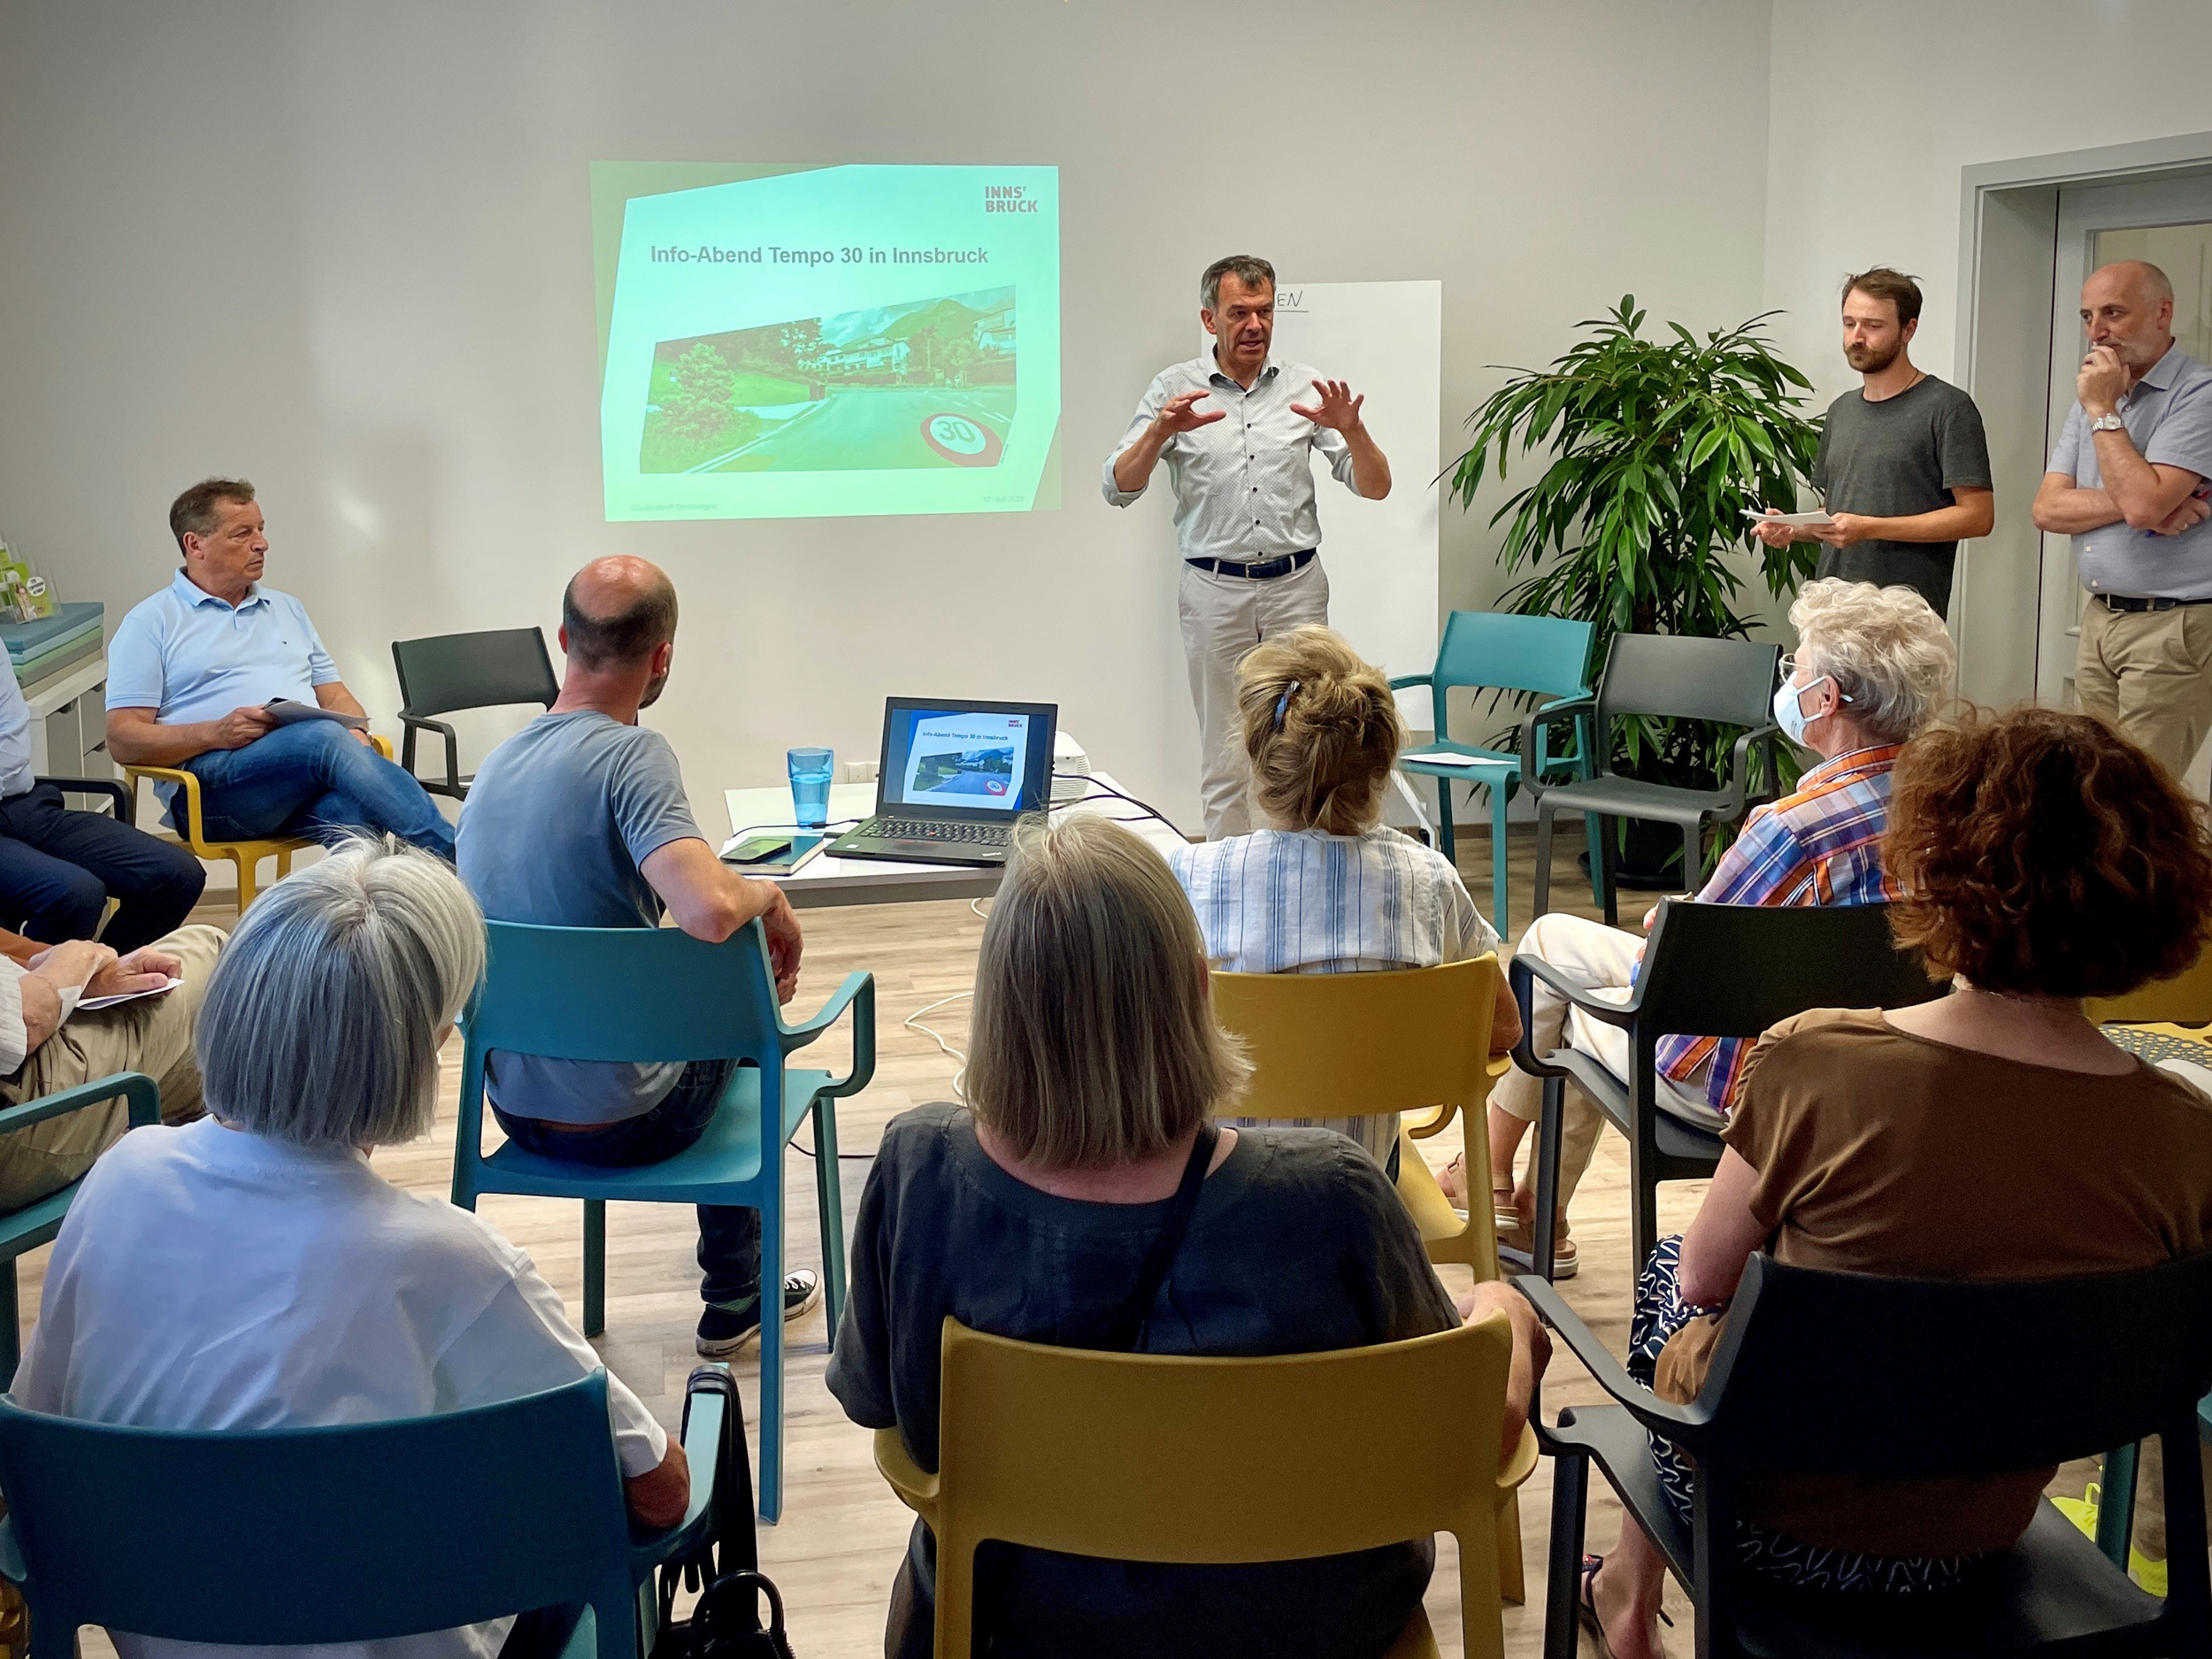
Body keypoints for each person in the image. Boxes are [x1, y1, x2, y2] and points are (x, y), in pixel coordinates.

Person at [828, 814, 1549, 1659]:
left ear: (997, 1010)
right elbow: (1472, 1434)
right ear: (1200, 992)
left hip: (1016, 1627)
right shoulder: (1333, 1199)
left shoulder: (919, 1169)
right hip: (1311, 1635)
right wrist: (1504, 1310)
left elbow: (876, 1403)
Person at [1585, 704, 2212, 1659]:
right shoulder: (2181, 1135)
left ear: (1931, 871)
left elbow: (1707, 1283)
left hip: (1763, 1528)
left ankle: (1628, 1597)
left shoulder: (1817, 1061)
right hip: (1980, 1535)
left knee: (1679, 1267)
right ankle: (1627, 1593)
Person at [15, 839, 684, 1659]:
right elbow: (659, 1494)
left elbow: (36, 1440)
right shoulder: (451, 1261)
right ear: (425, 1046)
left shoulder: (121, 1176)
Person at [1464, 580, 1955, 1278]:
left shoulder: (1789, 830)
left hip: (1746, 1088)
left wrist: (1677, 921)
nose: (1788, 685)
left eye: (1797, 671)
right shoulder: (1951, 813)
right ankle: (1518, 1201)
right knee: (1552, 941)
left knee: (1560, 992)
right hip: (1886, 1078)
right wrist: (1691, 918)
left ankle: (1498, 1187)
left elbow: (1664, 979)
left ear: (1826, 699)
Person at [457, 556, 817, 1360]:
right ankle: (736, 1291)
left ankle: (738, 1281)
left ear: (563, 641)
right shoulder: (632, 756)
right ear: (662, 657)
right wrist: (769, 894)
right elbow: (709, 910)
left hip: (516, 1113)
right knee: (737, 996)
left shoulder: (494, 769)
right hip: (631, 1122)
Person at [1168, 625, 1521, 1171]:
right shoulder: (1430, 880)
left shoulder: (1193, 877)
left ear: (1258, 758)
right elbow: (1505, 1029)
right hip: (1360, 1181)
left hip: (1218, 1185)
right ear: (1379, 766)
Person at [1103, 254, 1392, 840]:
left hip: (1296, 590)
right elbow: (1118, 487)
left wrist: (1353, 429)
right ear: (1210, 319)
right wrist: (1159, 432)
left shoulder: (1305, 387)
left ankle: (1306, 871)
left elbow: (1376, 486)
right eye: (1239, 313)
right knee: (1226, 753)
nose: (1254, 325)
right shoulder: (1173, 389)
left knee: (1311, 740)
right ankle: (1228, 882)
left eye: (1264, 311)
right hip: (1214, 591)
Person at [104, 478, 455, 858]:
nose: (262, 543)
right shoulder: (150, 622)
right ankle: (460, 858)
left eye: (260, 529)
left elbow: (334, 695)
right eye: (242, 533)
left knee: (355, 819)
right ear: (195, 544)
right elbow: (122, 740)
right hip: (208, 791)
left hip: (295, 780)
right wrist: (215, 733)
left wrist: (355, 732)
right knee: (324, 738)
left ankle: (400, 894)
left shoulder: (287, 608)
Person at [2032, 259, 2212, 781]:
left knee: (2142, 796)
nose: (2097, 332)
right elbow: (2047, 509)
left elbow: (2143, 506)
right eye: (2088, 316)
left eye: (2113, 313)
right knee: (2089, 786)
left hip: (2173, 625)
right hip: (2100, 618)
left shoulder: (2199, 394)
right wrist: (2149, 499)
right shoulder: (2094, 396)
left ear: (2162, 313)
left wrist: (2103, 411)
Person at [1754, 267, 1993, 618]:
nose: (1857, 337)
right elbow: (1839, 513)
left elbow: (1978, 517)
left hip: (1904, 618)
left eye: (1873, 325)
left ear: (1908, 329)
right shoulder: (1841, 410)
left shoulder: (1948, 408)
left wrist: (1869, 528)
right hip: (1830, 610)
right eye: (1849, 323)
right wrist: (1794, 526)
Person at [0, 918, 220, 1210]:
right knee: (213, 952)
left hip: (22, 1030)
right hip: (16, 1099)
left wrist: (82, 975)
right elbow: (24, 1024)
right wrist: (72, 964)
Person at [0, 643, 204, 950]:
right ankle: (43, 980)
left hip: (23, 805)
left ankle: (110, 975)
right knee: (75, 895)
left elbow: (11, 744)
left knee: (176, 875)